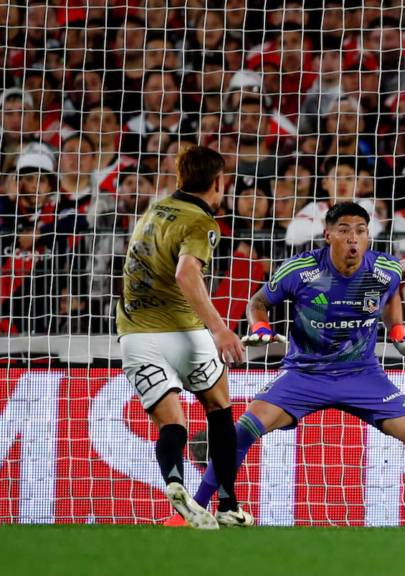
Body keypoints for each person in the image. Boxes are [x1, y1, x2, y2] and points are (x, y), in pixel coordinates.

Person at [172, 202, 405, 530]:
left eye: (360, 229)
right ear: (328, 235)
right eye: (344, 229)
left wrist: (400, 332)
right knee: (242, 431)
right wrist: (261, 327)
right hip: (304, 374)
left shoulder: (386, 268)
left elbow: (391, 298)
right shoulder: (302, 269)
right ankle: (194, 512)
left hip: (363, 375)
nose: (353, 237)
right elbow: (257, 302)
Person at [116, 145, 249, 530]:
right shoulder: (203, 221)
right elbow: (186, 274)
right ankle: (228, 504)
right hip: (184, 331)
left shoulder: (154, 210)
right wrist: (221, 328)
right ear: (219, 182)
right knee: (219, 407)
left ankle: (175, 483)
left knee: (171, 424)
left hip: (136, 334)